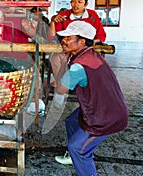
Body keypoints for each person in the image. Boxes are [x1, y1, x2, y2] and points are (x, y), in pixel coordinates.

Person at [51, 21, 128, 175]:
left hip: (106, 116)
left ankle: (79, 156)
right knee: (72, 121)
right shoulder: (91, 54)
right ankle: (75, 158)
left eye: (69, 37)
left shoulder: (79, 65)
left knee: (77, 148)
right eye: (64, 37)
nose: (64, 40)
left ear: (82, 41)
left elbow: (60, 89)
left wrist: (59, 64)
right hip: (107, 107)